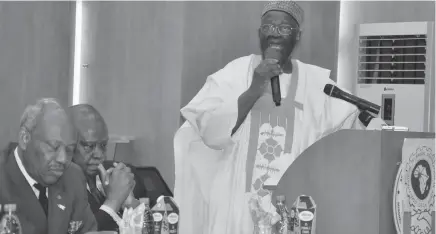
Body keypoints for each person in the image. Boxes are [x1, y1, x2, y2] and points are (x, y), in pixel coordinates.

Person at [174, 1, 365, 233]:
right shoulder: (236, 73)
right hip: (237, 208)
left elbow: (348, 124)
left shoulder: (314, 83)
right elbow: (210, 131)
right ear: (259, 33)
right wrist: (255, 87)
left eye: (284, 28)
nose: (274, 34)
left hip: (292, 209)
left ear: (298, 37)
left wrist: (373, 123)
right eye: (268, 27)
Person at [0, 98, 97, 234]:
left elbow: (88, 230)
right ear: (25, 138)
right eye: (54, 147)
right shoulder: (4, 177)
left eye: (69, 150)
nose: (63, 159)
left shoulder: (73, 177)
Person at [68, 104, 147, 232]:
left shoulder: (113, 175)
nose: (99, 155)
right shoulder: (57, 186)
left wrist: (129, 204)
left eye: (103, 145)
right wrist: (113, 202)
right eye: (89, 146)